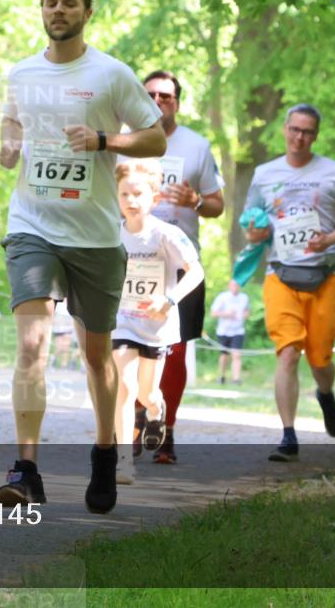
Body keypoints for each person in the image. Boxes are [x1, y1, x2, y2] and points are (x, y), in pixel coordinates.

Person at [0, 0, 166, 515]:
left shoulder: (111, 74)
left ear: (87, 12)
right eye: (51, 2)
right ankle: (25, 469)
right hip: (32, 226)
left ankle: (104, 450)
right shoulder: (21, 73)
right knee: (31, 346)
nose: (59, 10)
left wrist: (104, 140)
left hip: (93, 235)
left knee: (97, 356)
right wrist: (8, 142)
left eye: (70, 3)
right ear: (41, 9)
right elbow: (10, 120)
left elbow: (155, 134)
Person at [243, 104, 335, 461]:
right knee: (288, 353)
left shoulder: (333, 172)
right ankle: (288, 435)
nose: (299, 137)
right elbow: (251, 226)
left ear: (316, 135)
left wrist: (329, 239)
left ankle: (325, 394)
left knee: (320, 359)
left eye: (307, 132)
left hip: (325, 276)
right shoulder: (264, 174)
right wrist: (255, 233)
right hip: (280, 274)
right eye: (294, 129)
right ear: (284, 129)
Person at [136, 70, 225, 465]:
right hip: (134, 262)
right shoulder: (126, 144)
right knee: (132, 346)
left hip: (180, 264)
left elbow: (217, 205)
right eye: (151, 94)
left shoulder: (197, 146)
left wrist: (195, 202)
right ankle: (136, 423)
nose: (158, 101)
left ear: (178, 102)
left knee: (173, 351)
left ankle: (166, 430)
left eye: (166, 96)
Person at [112, 162, 203, 483]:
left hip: (156, 325)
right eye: (124, 193)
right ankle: (123, 461)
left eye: (138, 193)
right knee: (124, 385)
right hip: (122, 322)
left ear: (155, 196)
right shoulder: (111, 234)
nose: (131, 200)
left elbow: (195, 271)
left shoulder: (166, 234)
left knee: (147, 393)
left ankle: (156, 410)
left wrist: (169, 299)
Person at [211, 278, 250, 384]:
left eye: (237, 285)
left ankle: (236, 379)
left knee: (236, 354)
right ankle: (222, 376)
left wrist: (245, 315)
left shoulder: (244, 298)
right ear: (229, 286)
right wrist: (226, 314)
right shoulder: (222, 297)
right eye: (233, 285)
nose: (235, 287)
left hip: (238, 331)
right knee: (224, 355)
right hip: (223, 331)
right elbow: (213, 313)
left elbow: (247, 312)